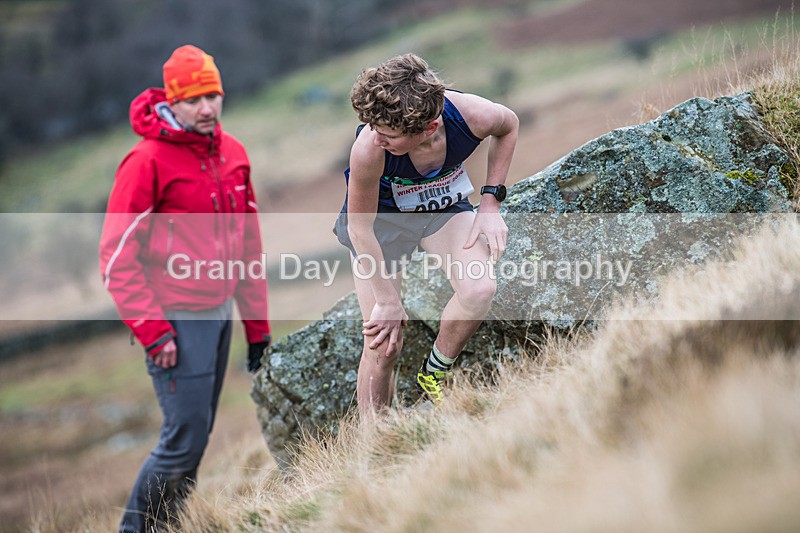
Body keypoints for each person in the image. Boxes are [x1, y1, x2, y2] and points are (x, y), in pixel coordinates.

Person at [98, 44, 270, 533]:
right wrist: (154, 330)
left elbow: (248, 246)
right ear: (172, 101)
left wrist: (256, 328)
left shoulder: (232, 153)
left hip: (219, 315)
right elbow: (115, 256)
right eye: (194, 99)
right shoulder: (145, 161)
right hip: (175, 317)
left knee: (197, 436)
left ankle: (168, 527)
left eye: (212, 95)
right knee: (183, 439)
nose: (206, 108)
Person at [333, 53, 518, 417]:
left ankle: (433, 372)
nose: (377, 138)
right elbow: (360, 227)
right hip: (382, 223)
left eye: (389, 135)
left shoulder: (470, 116)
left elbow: (509, 126)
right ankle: (375, 447)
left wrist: (491, 203)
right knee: (383, 345)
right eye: (374, 129)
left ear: (428, 128)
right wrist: (387, 301)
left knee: (480, 289)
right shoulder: (369, 148)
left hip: (442, 208)